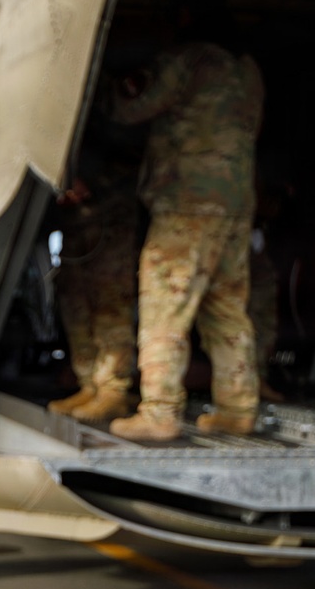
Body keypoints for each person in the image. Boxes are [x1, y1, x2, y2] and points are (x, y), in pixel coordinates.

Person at [105, 39, 265, 442]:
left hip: (187, 200)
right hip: (234, 199)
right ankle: (237, 409)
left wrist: (113, 92)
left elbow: (133, 108)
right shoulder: (249, 71)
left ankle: (159, 412)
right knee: (227, 306)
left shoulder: (190, 59)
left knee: (165, 300)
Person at [47, 154, 138, 423]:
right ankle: (90, 384)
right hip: (75, 218)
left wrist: (90, 178)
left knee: (111, 303)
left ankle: (112, 390)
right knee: (75, 302)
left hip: (111, 210)